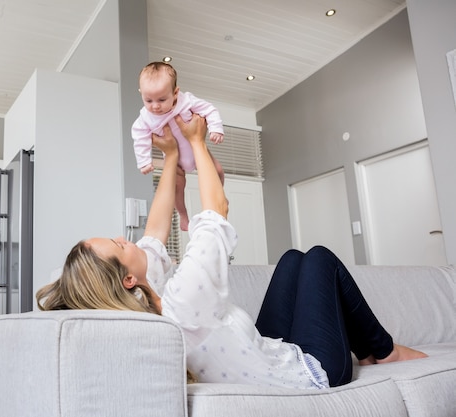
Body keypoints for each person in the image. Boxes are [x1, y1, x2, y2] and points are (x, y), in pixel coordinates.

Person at [37, 114, 427, 389]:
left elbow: (155, 230)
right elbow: (215, 213)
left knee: (293, 259)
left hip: (271, 349)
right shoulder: (181, 305)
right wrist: (195, 141)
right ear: (127, 278)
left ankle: (372, 348)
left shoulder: (148, 300)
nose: (130, 240)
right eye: (121, 245)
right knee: (320, 257)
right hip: (313, 372)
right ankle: (383, 350)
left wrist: (170, 155)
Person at [131, 61, 225, 231]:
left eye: (161, 99)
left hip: (198, 151)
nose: (155, 106)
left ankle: (220, 197)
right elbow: (139, 137)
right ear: (141, 95)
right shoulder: (145, 118)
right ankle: (183, 216)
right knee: (176, 189)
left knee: (218, 171)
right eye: (148, 100)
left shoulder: (186, 101)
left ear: (175, 93)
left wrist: (215, 128)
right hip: (175, 162)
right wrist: (144, 161)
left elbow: (209, 109)